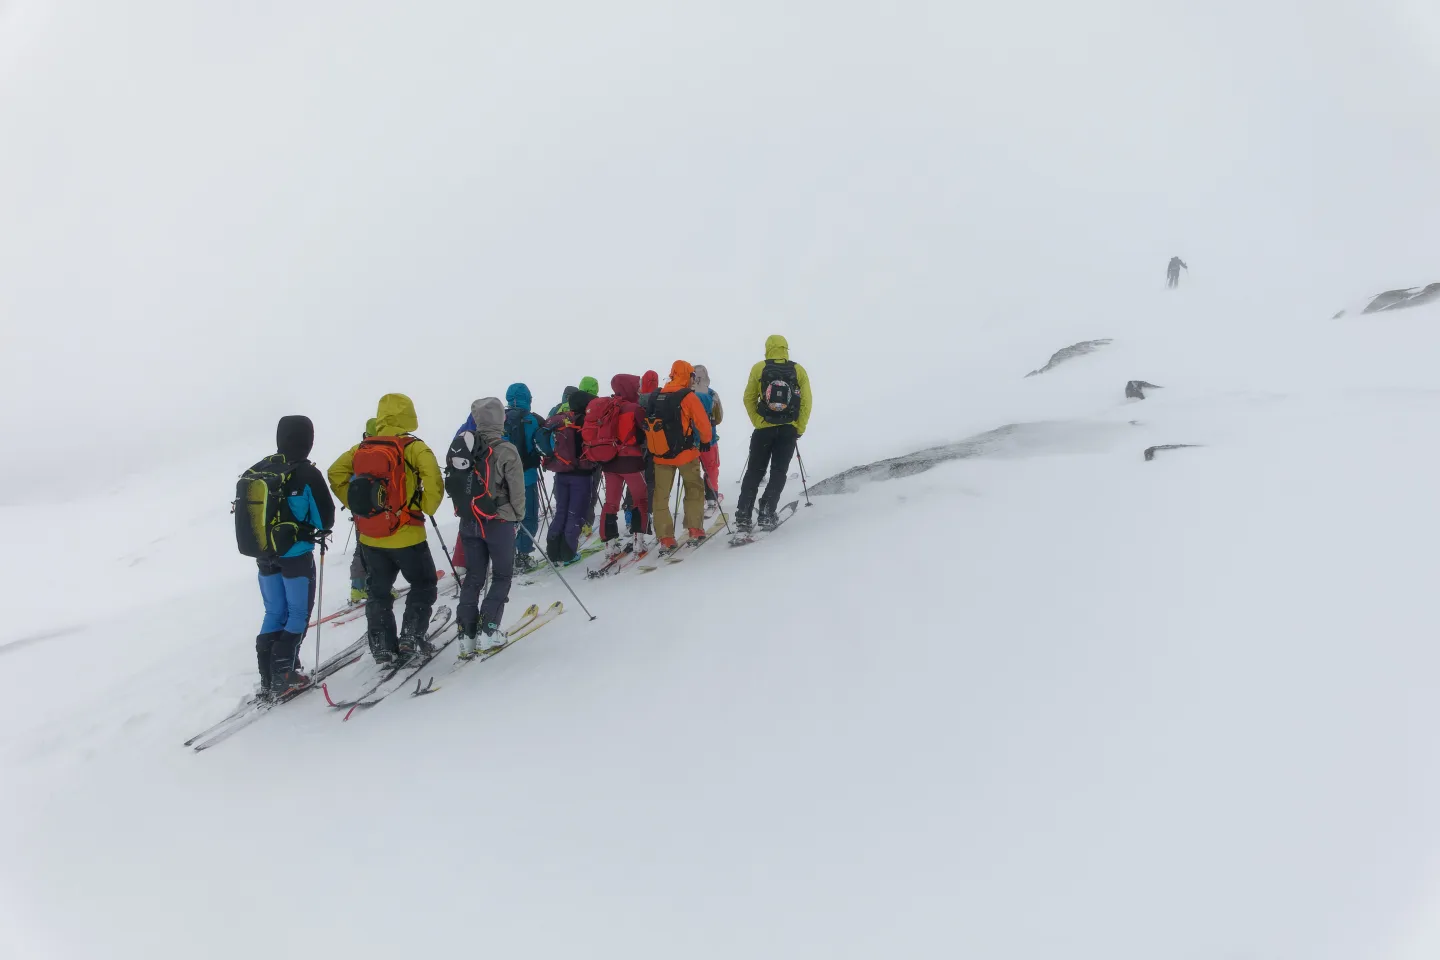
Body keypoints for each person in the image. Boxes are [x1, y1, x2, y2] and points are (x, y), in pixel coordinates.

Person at [328, 394, 444, 665]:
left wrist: (357, 507)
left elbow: (335, 473)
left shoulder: (361, 448)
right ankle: (411, 637)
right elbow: (433, 477)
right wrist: (426, 505)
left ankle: (381, 645)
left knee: (378, 591)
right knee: (423, 584)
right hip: (407, 532)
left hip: (370, 536)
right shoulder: (413, 447)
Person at [249, 416, 335, 698]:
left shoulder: (261, 469)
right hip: (295, 554)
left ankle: (268, 675)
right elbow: (325, 519)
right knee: (297, 613)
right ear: (307, 440)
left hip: (263, 554)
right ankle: (284, 673)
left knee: (274, 611)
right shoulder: (307, 474)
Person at [446, 398, 526, 657]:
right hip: (498, 521)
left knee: (473, 577)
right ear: (500, 418)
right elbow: (517, 490)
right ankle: (489, 630)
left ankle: (466, 635)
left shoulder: (463, 446)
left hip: (469, 520)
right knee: (502, 575)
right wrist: (518, 517)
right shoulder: (506, 449)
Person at [737, 335, 812, 532]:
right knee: (778, 472)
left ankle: (743, 516)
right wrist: (799, 427)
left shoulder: (759, 368)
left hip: (763, 430)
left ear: (768, 348)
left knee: (754, 472)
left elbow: (748, 398)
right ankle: (767, 513)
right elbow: (806, 402)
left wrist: (758, 421)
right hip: (788, 430)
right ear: (786, 348)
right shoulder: (798, 370)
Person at [646, 360, 714, 552]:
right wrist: (706, 441)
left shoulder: (656, 396)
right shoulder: (688, 396)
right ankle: (694, 528)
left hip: (660, 454)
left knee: (661, 497)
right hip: (685, 453)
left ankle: (666, 538)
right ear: (689, 376)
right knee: (693, 489)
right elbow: (702, 423)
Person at [589, 374, 650, 558]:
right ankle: (639, 541)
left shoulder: (606, 407)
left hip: (609, 461)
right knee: (640, 500)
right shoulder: (634, 408)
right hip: (631, 461)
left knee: (610, 503)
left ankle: (609, 544)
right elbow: (644, 432)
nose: (638, 389)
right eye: (636, 386)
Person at [542, 388, 598, 563]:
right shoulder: (585, 421)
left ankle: (553, 551)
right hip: (581, 475)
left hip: (561, 473)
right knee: (576, 513)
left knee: (561, 512)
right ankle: (568, 553)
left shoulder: (562, 420)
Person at [503, 382, 546, 573]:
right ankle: (522, 554)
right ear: (527, 398)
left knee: (507, 517)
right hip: (526, 477)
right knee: (528, 517)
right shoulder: (532, 420)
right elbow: (539, 445)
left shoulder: (499, 420)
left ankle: (506, 553)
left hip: (502, 479)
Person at [691, 364, 724, 511]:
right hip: (708, 440)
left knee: (692, 471)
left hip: (689, 441)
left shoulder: (684, 394)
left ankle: (694, 500)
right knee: (711, 468)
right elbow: (718, 418)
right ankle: (711, 499)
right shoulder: (711, 394)